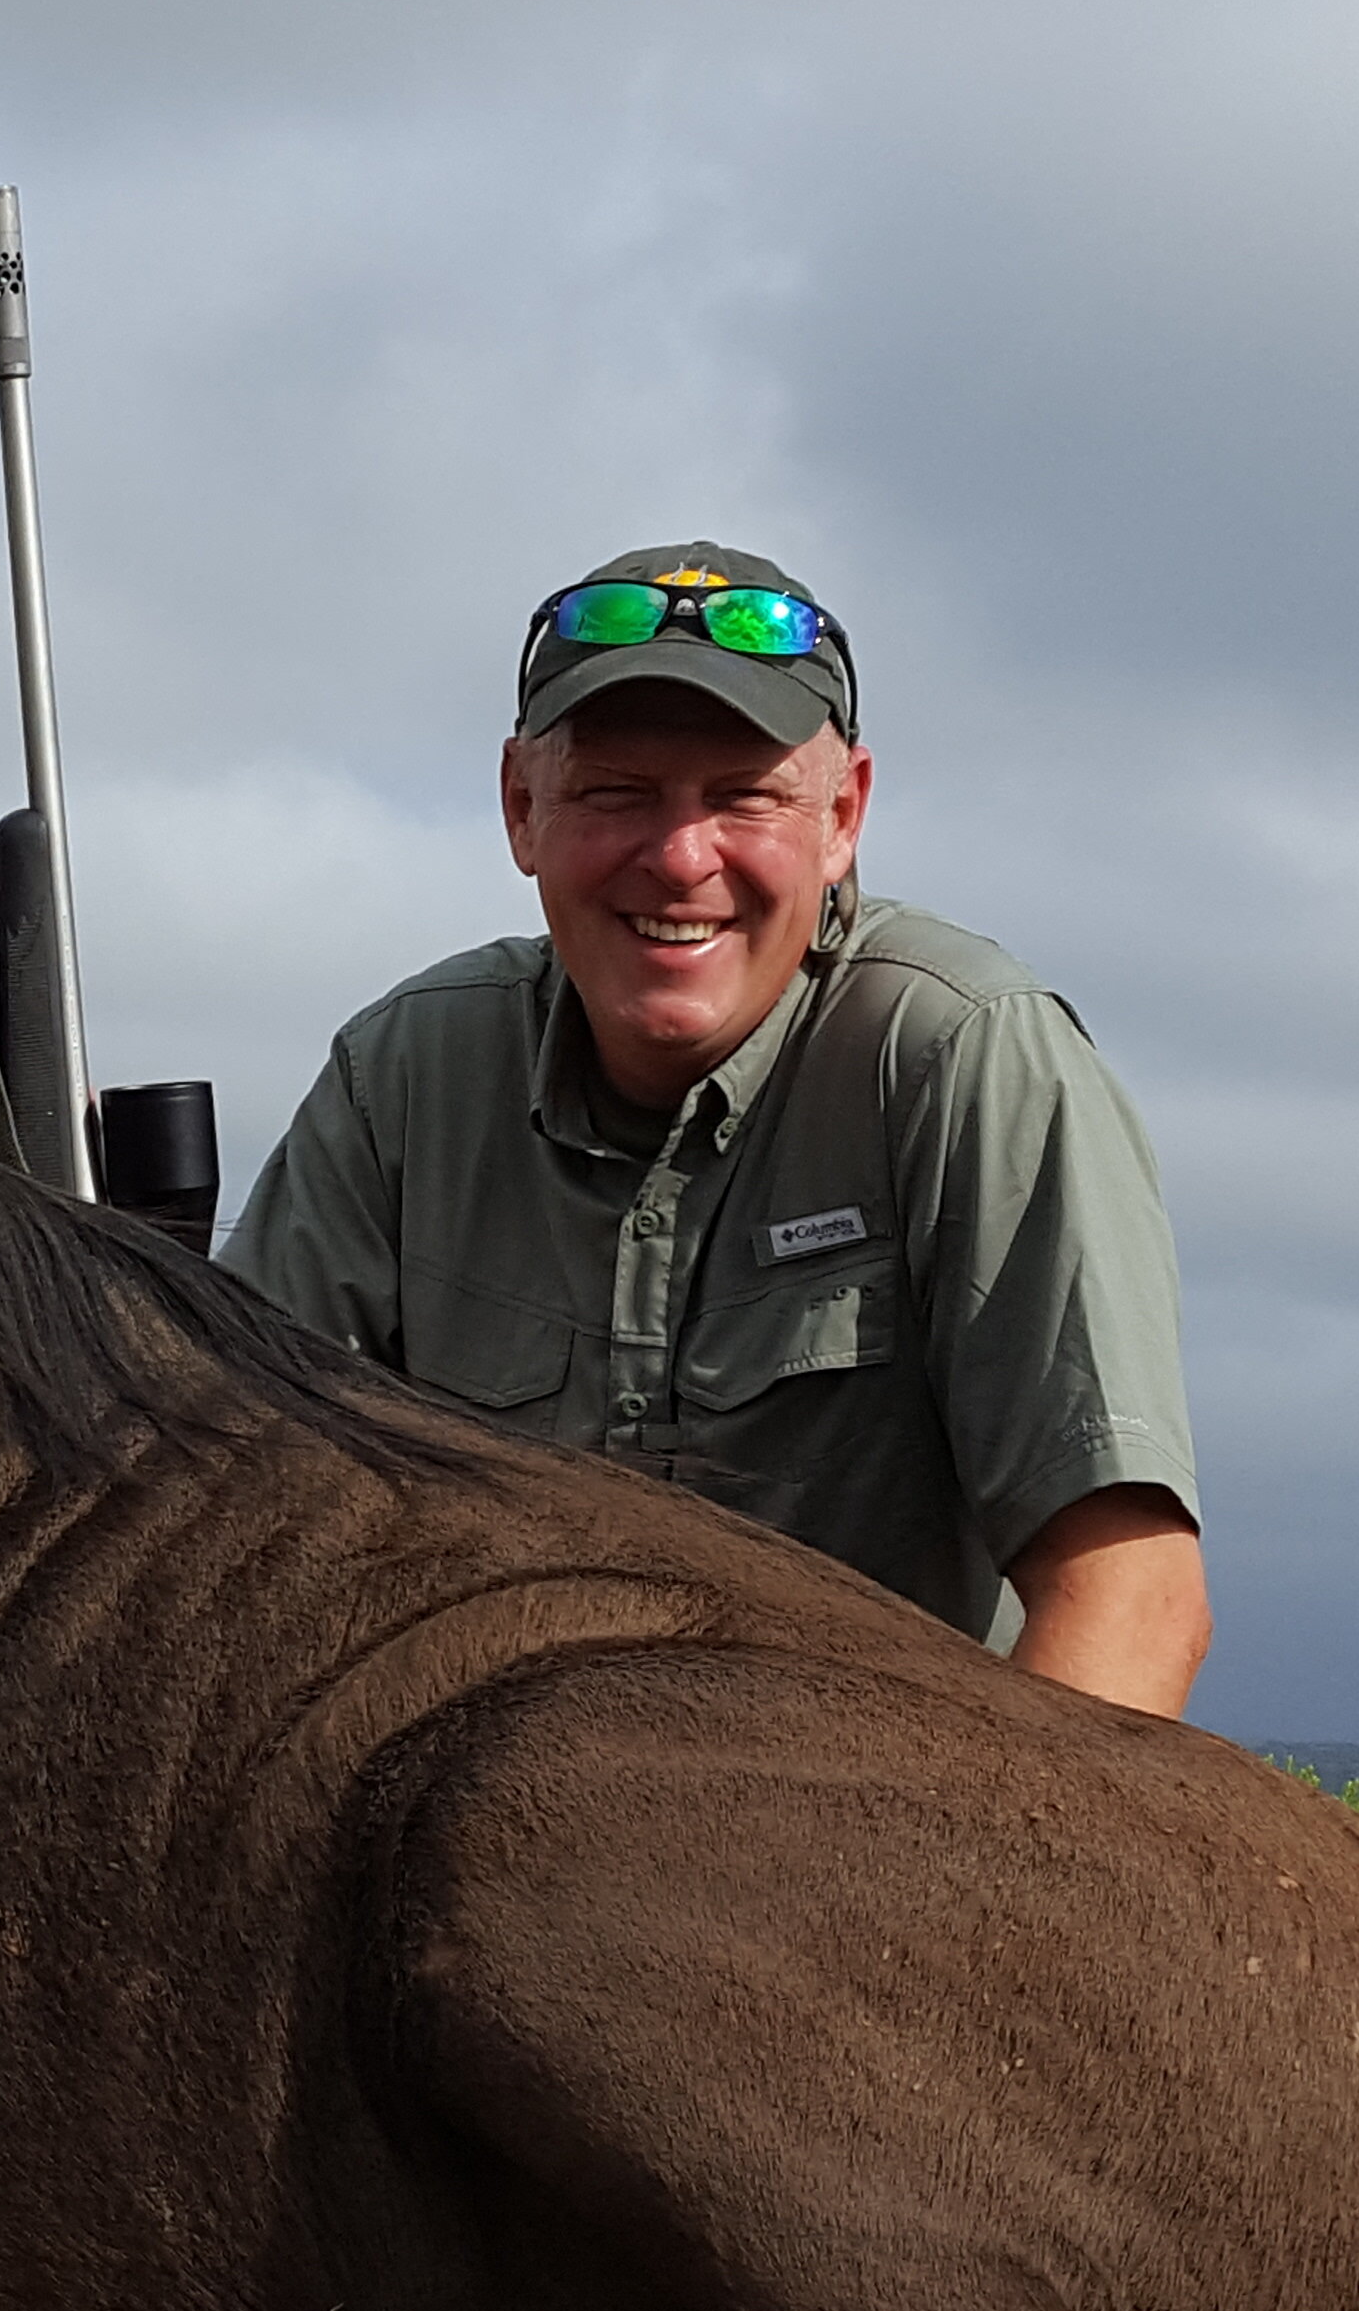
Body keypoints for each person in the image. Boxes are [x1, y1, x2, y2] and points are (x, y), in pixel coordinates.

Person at [221, 541, 1209, 1715]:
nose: (679, 858)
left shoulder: (961, 1053)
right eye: (614, 793)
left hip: (891, 1827)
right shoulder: (403, 1072)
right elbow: (231, 1522)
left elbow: (1134, 1599)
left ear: (841, 816)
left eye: (744, 799)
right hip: (473, 1826)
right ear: (519, 810)